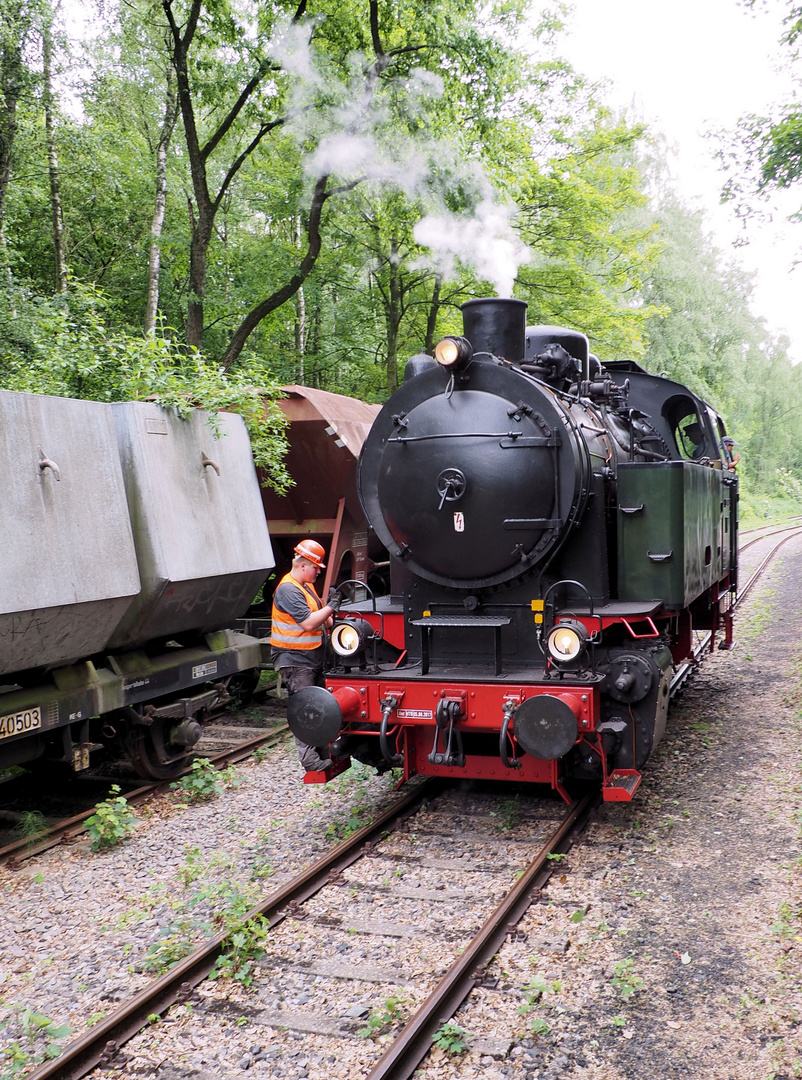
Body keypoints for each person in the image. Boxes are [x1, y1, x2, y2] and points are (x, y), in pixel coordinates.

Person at [270, 539, 342, 772]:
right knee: (305, 710)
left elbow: (326, 620)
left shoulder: (305, 587)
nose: (318, 572)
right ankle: (311, 762)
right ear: (303, 565)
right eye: (316, 568)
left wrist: (332, 609)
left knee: (319, 707)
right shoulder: (288, 589)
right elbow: (310, 623)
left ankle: (324, 753)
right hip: (294, 660)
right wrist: (331, 606)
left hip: (310, 659)